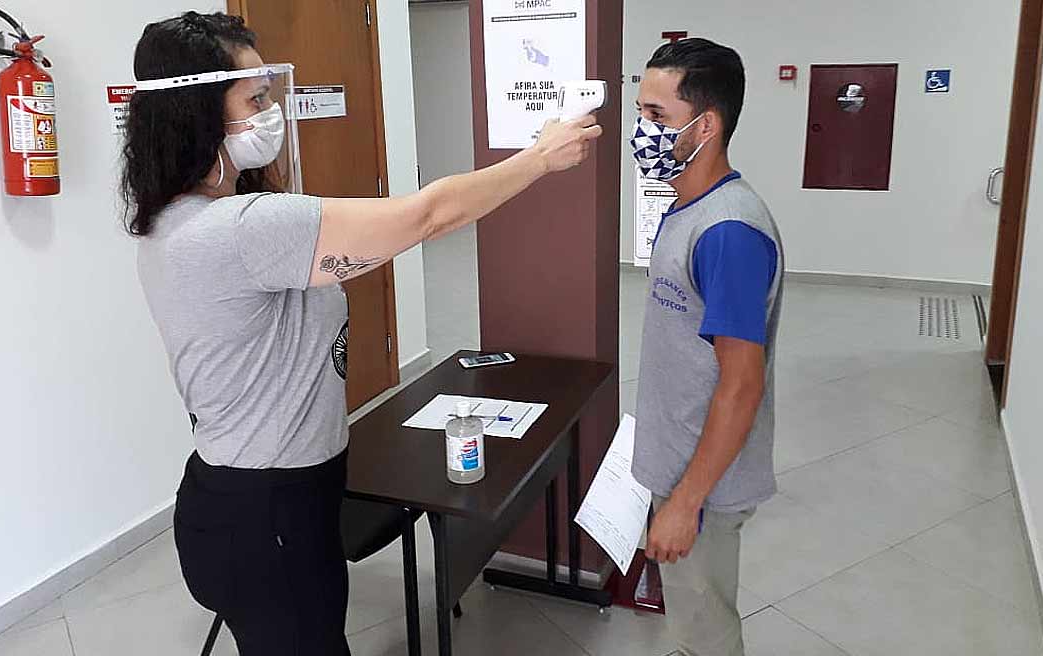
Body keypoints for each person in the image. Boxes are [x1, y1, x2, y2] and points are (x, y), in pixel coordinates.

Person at [121, 12, 600, 656]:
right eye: (255, 98)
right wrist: (540, 158)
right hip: (265, 514)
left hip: (249, 497)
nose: (272, 113)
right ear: (199, 111)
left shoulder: (174, 217)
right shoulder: (242, 229)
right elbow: (429, 215)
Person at [629, 38, 784, 656]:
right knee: (689, 620)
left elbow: (742, 384)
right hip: (677, 461)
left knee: (706, 629)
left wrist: (685, 503)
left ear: (707, 125)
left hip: (705, 484)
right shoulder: (685, 209)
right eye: (640, 113)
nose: (642, 131)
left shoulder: (730, 233)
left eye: (657, 118)